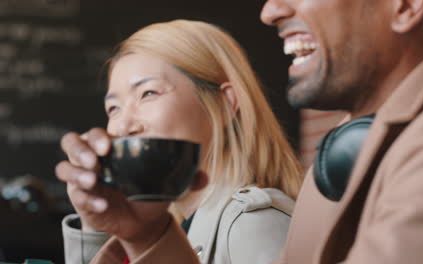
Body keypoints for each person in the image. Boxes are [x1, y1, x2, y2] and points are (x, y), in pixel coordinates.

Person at [58, 0, 423, 263]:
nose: (269, 10)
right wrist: (145, 234)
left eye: (148, 93)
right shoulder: (336, 158)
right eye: (113, 105)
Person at [56, 20, 304, 263]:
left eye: (148, 93)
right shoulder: (164, 228)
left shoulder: (253, 224)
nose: (121, 127)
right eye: (113, 108)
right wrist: (94, 224)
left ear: (224, 105)